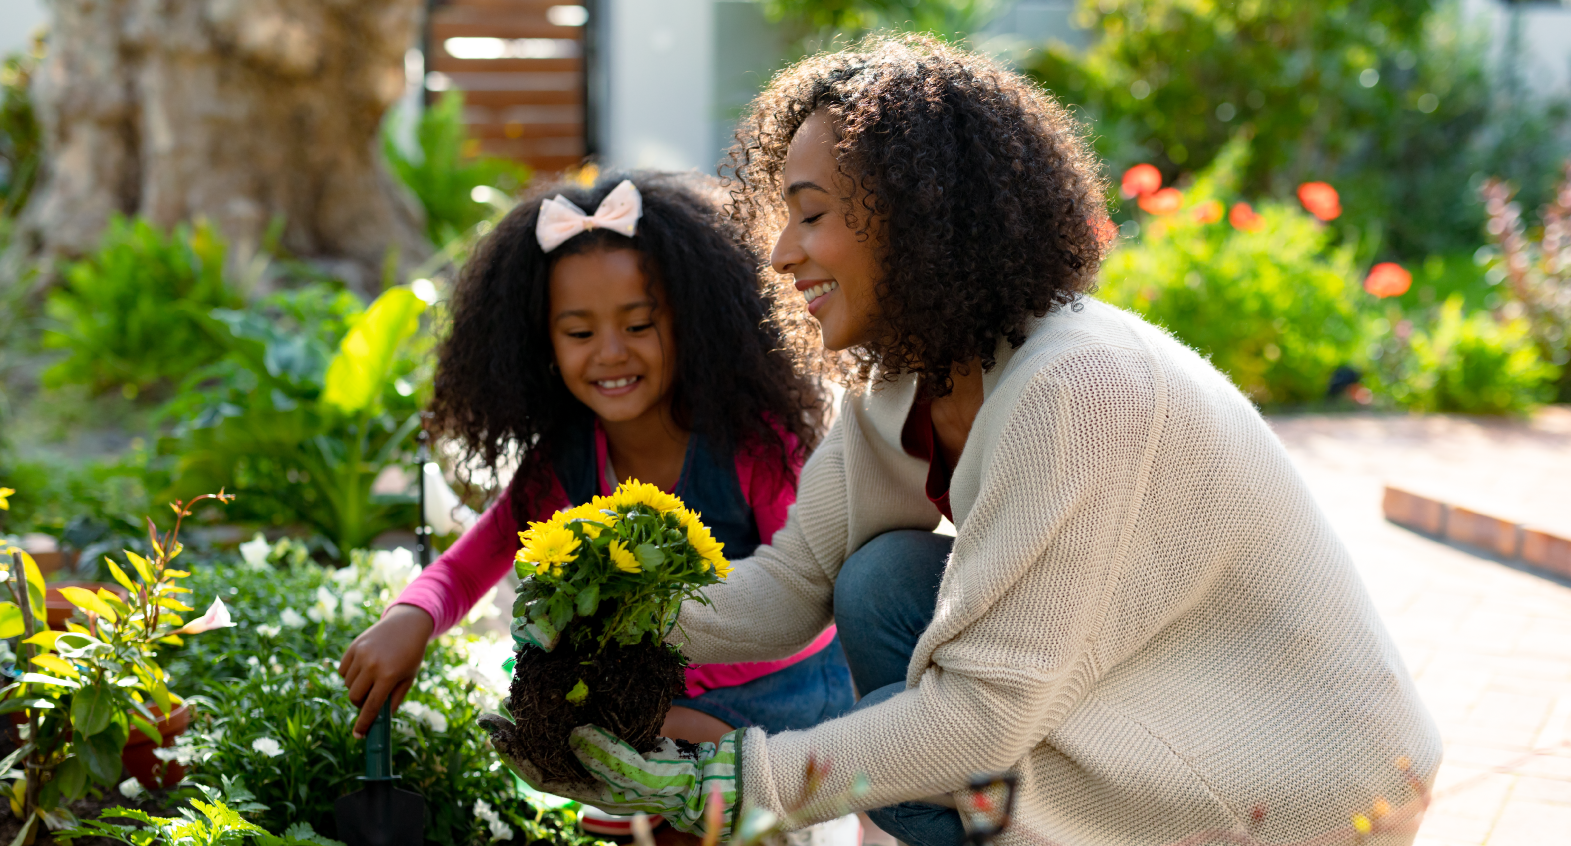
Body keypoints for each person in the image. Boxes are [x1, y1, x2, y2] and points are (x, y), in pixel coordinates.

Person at [487, 36, 1443, 846]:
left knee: (919, 711)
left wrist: (742, 781)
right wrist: (606, 604)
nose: (780, 252)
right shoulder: (903, 385)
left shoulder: (1075, 389)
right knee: (884, 579)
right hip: (1144, 708)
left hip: (1300, 782)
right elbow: (784, 593)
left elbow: (980, 721)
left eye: (811, 214)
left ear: (914, 218)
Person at [338, 173, 853, 832]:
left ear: (694, 322)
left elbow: (811, 606)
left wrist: (672, 702)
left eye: (639, 324)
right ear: (540, 346)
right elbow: (471, 564)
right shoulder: (566, 458)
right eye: (578, 333)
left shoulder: (752, 446)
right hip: (653, 716)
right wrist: (409, 617)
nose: (611, 353)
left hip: (784, 708)